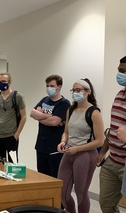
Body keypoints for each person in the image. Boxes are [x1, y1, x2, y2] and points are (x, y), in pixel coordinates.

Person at [57, 78, 104, 213]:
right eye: (73, 90)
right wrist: (63, 142)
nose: (75, 93)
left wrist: (78, 148)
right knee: (62, 191)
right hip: (69, 152)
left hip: (86, 155)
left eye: (78, 90)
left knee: (80, 192)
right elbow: (66, 132)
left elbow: (100, 141)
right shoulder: (70, 110)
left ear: (87, 92)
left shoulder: (94, 112)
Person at [97, 56, 126, 213]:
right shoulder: (119, 94)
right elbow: (113, 128)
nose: (119, 75)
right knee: (106, 205)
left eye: (123, 71)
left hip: (125, 163)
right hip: (112, 160)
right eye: (119, 71)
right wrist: (102, 152)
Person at [30, 74, 70, 178]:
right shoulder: (45, 100)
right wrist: (48, 116)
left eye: (52, 86)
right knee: (42, 178)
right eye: (47, 85)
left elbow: (54, 122)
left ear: (59, 87)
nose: (49, 88)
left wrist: (39, 116)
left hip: (55, 149)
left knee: (55, 179)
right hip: (41, 146)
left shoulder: (64, 103)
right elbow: (32, 113)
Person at [0, 72, 26, 163]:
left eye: (4, 81)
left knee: (12, 162)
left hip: (11, 135)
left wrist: (17, 134)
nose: (1, 83)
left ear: (9, 82)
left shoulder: (17, 97)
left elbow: (24, 117)